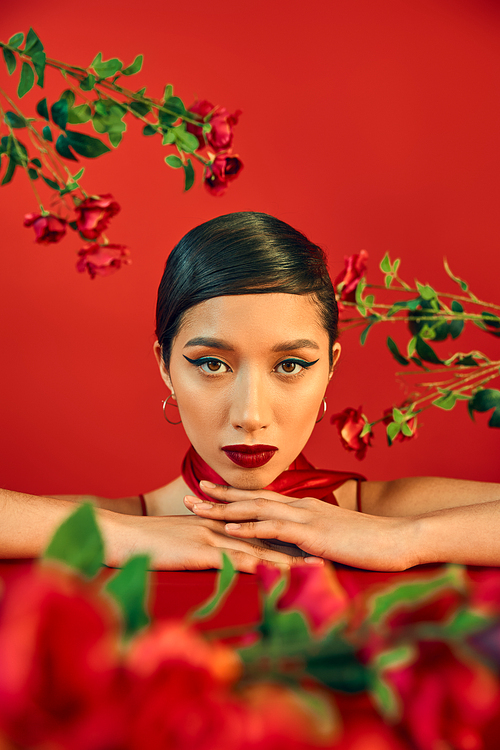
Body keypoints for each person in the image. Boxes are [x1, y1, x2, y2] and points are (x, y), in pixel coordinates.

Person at [1, 212, 499, 572]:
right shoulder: (116, 524)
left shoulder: (385, 512)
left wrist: (406, 539)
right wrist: (113, 535)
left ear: (329, 369)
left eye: (290, 365)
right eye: (212, 364)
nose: (251, 414)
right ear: (166, 367)